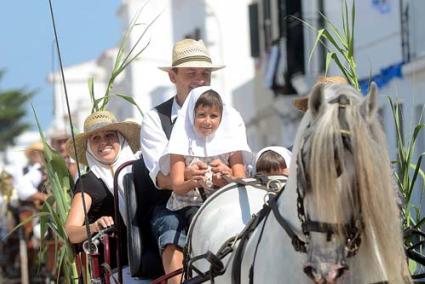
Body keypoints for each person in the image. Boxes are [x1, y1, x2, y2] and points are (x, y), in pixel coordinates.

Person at [140, 38, 246, 282]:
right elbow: (161, 179)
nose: (199, 79)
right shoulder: (156, 119)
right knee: (171, 236)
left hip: (223, 197)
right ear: (172, 76)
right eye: (191, 73)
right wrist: (187, 175)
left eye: (205, 74)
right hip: (173, 203)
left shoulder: (231, 116)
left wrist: (227, 174)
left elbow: (241, 171)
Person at [64, 110, 143, 282]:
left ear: (120, 139)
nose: (104, 142)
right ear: (89, 147)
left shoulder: (140, 170)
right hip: (118, 268)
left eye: (109, 135)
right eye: (95, 138)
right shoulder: (88, 183)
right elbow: (71, 232)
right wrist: (94, 226)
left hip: (153, 257)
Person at [158, 86, 250, 228]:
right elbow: (177, 186)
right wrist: (195, 182)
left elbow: (240, 179)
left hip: (223, 203)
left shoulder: (232, 143)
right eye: (201, 115)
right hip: (188, 206)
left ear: (222, 117)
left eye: (213, 116)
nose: (207, 121)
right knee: (202, 223)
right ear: (191, 114)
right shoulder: (179, 144)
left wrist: (227, 175)